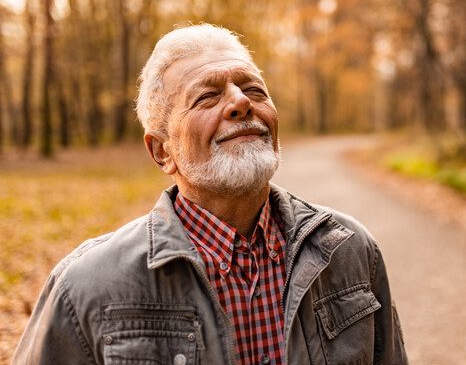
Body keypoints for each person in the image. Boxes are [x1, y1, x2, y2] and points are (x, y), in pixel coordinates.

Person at [13, 24, 407, 364]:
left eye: (253, 89)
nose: (240, 102)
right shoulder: (85, 286)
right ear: (162, 151)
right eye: (207, 97)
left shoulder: (351, 251)